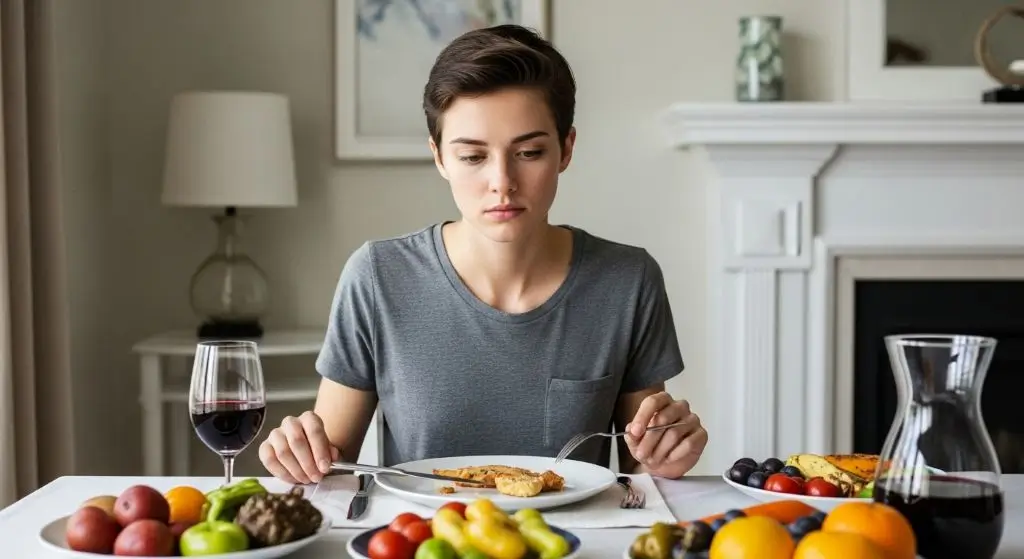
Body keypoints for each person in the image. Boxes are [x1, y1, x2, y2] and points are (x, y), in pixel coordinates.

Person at [258, 24, 708, 485]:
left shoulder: (628, 281)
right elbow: (329, 467)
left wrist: (665, 457)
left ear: (566, 149)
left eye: (529, 152)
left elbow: (640, 471)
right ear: (439, 158)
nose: (502, 182)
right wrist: (299, 453)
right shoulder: (377, 277)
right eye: (473, 157)